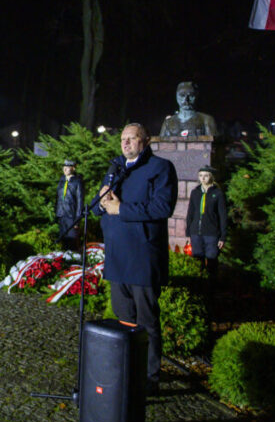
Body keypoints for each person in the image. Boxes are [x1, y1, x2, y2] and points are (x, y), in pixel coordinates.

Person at [97, 123, 177, 394]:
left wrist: (122, 209)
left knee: (146, 321)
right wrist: (100, 202)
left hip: (143, 256)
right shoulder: (115, 167)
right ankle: (127, 370)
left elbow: (162, 207)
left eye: (132, 139)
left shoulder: (161, 168)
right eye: (123, 139)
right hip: (118, 255)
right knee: (124, 319)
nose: (126, 143)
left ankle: (150, 377)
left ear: (145, 141)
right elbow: (102, 204)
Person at [185, 165, 228, 280]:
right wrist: (188, 232)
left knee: (212, 260)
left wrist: (223, 237)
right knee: (197, 261)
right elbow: (190, 213)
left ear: (211, 177)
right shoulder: (195, 192)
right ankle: (199, 285)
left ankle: (212, 287)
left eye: (206, 175)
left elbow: (223, 216)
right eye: (200, 176)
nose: (203, 178)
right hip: (196, 233)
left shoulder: (218, 194)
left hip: (211, 234)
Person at [55, 159, 84, 252]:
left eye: (68, 167)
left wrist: (77, 220)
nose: (65, 169)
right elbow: (58, 197)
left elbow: (80, 201)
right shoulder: (62, 180)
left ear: (73, 168)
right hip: (62, 214)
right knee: (63, 241)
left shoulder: (77, 182)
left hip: (71, 215)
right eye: (64, 167)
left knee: (72, 242)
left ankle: (73, 261)